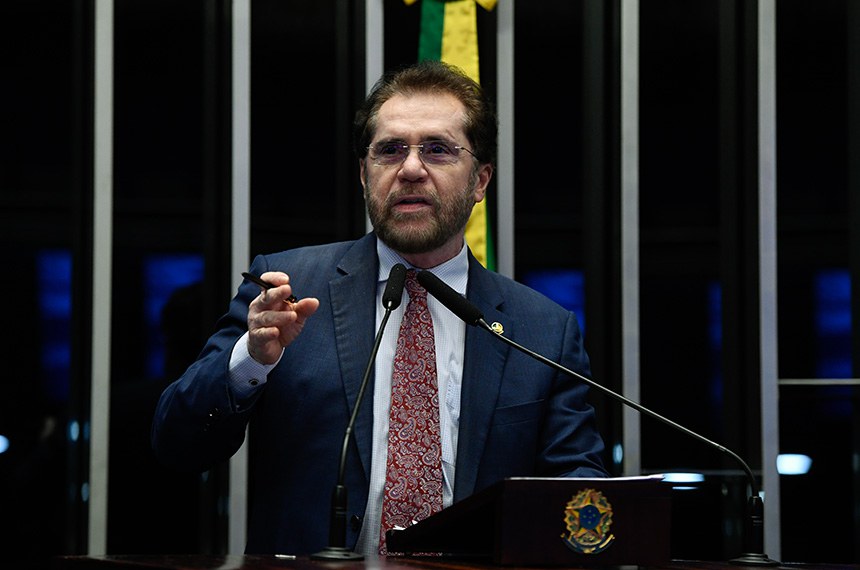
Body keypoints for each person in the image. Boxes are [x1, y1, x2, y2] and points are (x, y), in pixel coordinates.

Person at [151, 60, 607, 558]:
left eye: (437, 149)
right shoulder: (285, 290)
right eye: (390, 150)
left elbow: (579, 498)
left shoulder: (542, 329)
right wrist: (250, 361)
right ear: (364, 176)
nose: (410, 169)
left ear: (480, 181)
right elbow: (177, 444)